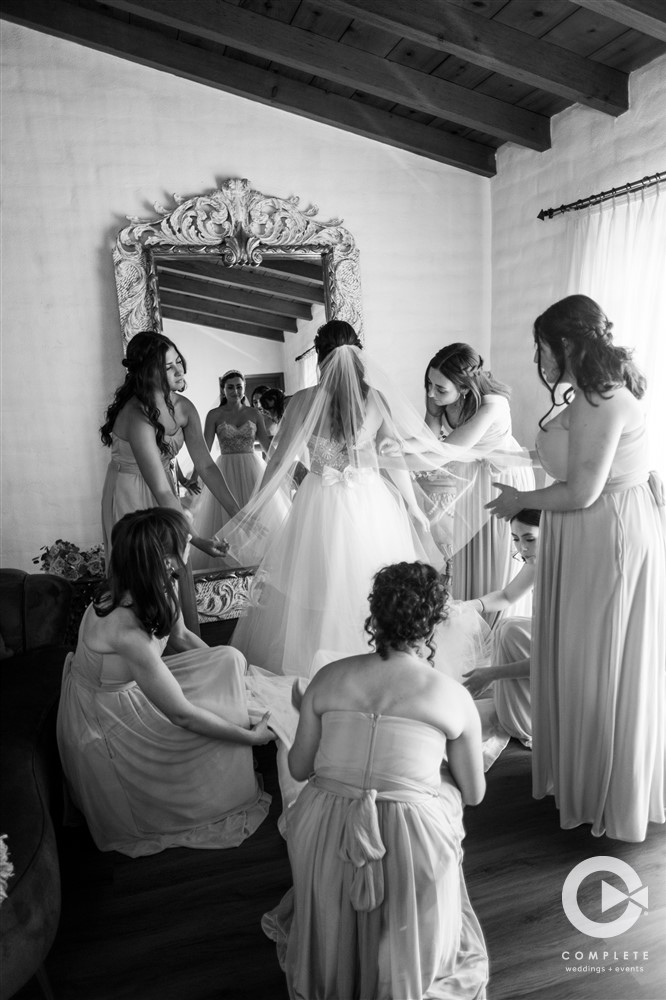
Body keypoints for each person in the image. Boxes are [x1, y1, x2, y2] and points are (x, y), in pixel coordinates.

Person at [262, 561, 488, 1000]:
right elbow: (475, 793)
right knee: (443, 791)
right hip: (412, 840)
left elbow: (298, 770)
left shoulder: (328, 679)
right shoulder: (453, 696)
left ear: (374, 616)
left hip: (325, 833)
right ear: (435, 622)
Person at [486, 294, 665, 843]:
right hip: (588, 531)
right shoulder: (589, 394)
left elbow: (584, 491)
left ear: (565, 342)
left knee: (598, 662)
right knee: (582, 656)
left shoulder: (601, 398)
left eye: (542, 344)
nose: (539, 357)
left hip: (605, 533)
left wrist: (520, 502)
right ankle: (588, 777)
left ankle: (608, 790)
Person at [56, 508, 301, 857]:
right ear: (162, 557)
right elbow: (182, 716)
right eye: (180, 542)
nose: (189, 542)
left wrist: (228, 672)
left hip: (139, 684)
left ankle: (237, 710)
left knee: (229, 659)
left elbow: (182, 636)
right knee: (222, 724)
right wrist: (251, 736)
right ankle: (235, 749)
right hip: (111, 717)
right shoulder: (125, 632)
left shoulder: (159, 582)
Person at [224, 319, 452, 679]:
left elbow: (279, 463)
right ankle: (377, 664)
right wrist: (413, 508)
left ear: (320, 357)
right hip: (370, 501)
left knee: (316, 586)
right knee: (368, 584)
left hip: (320, 502)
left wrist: (255, 505)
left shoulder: (301, 401)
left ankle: (319, 669)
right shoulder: (375, 400)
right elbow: (394, 463)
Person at [100, 332, 239, 632]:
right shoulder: (135, 415)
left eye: (179, 361)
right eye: (169, 366)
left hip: (163, 489)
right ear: (149, 371)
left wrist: (238, 511)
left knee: (173, 571)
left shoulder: (185, 407)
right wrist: (195, 538)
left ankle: (181, 643)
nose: (180, 371)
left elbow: (205, 465)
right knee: (146, 574)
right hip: (132, 494)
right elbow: (161, 489)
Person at [422, 343, 534, 624]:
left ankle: (493, 630)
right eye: (429, 385)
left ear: (463, 386)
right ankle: (466, 620)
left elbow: (447, 450)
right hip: (470, 480)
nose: (431, 393)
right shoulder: (442, 400)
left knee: (494, 553)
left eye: (439, 388)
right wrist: (434, 414)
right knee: (465, 552)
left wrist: (399, 451)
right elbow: (430, 439)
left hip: (499, 481)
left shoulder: (493, 404)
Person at [462, 509, 541, 748]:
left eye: (530, 539)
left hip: (562, 661)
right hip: (546, 651)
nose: (522, 548)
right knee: (507, 626)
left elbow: (559, 658)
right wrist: (465, 606)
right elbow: (507, 596)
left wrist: (492, 673)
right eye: (516, 539)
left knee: (509, 629)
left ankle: (530, 716)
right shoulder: (536, 561)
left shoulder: (569, 570)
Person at [189, 370, 272, 571]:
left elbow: (268, 446)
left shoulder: (254, 414)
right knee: (226, 517)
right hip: (224, 472)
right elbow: (204, 448)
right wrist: (194, 476)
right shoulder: (214, 415)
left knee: (255, 515)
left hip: (252, 468)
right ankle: (229, 567)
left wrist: (286, 466)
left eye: (239, 386)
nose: (235, 390)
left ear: (244, 388)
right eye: (230, 386)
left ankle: (254, 567)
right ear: (223, 389)